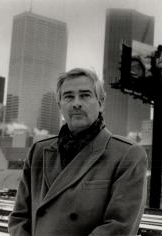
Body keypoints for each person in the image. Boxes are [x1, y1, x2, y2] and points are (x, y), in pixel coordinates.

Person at [8, 68, 148, 236]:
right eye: (68, 96)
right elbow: (19, 217)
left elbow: (118, 227)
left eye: (85, 95)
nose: (76, 103)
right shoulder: (38, 152)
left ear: (101, 102)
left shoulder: (128, 155)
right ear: (60, 105)